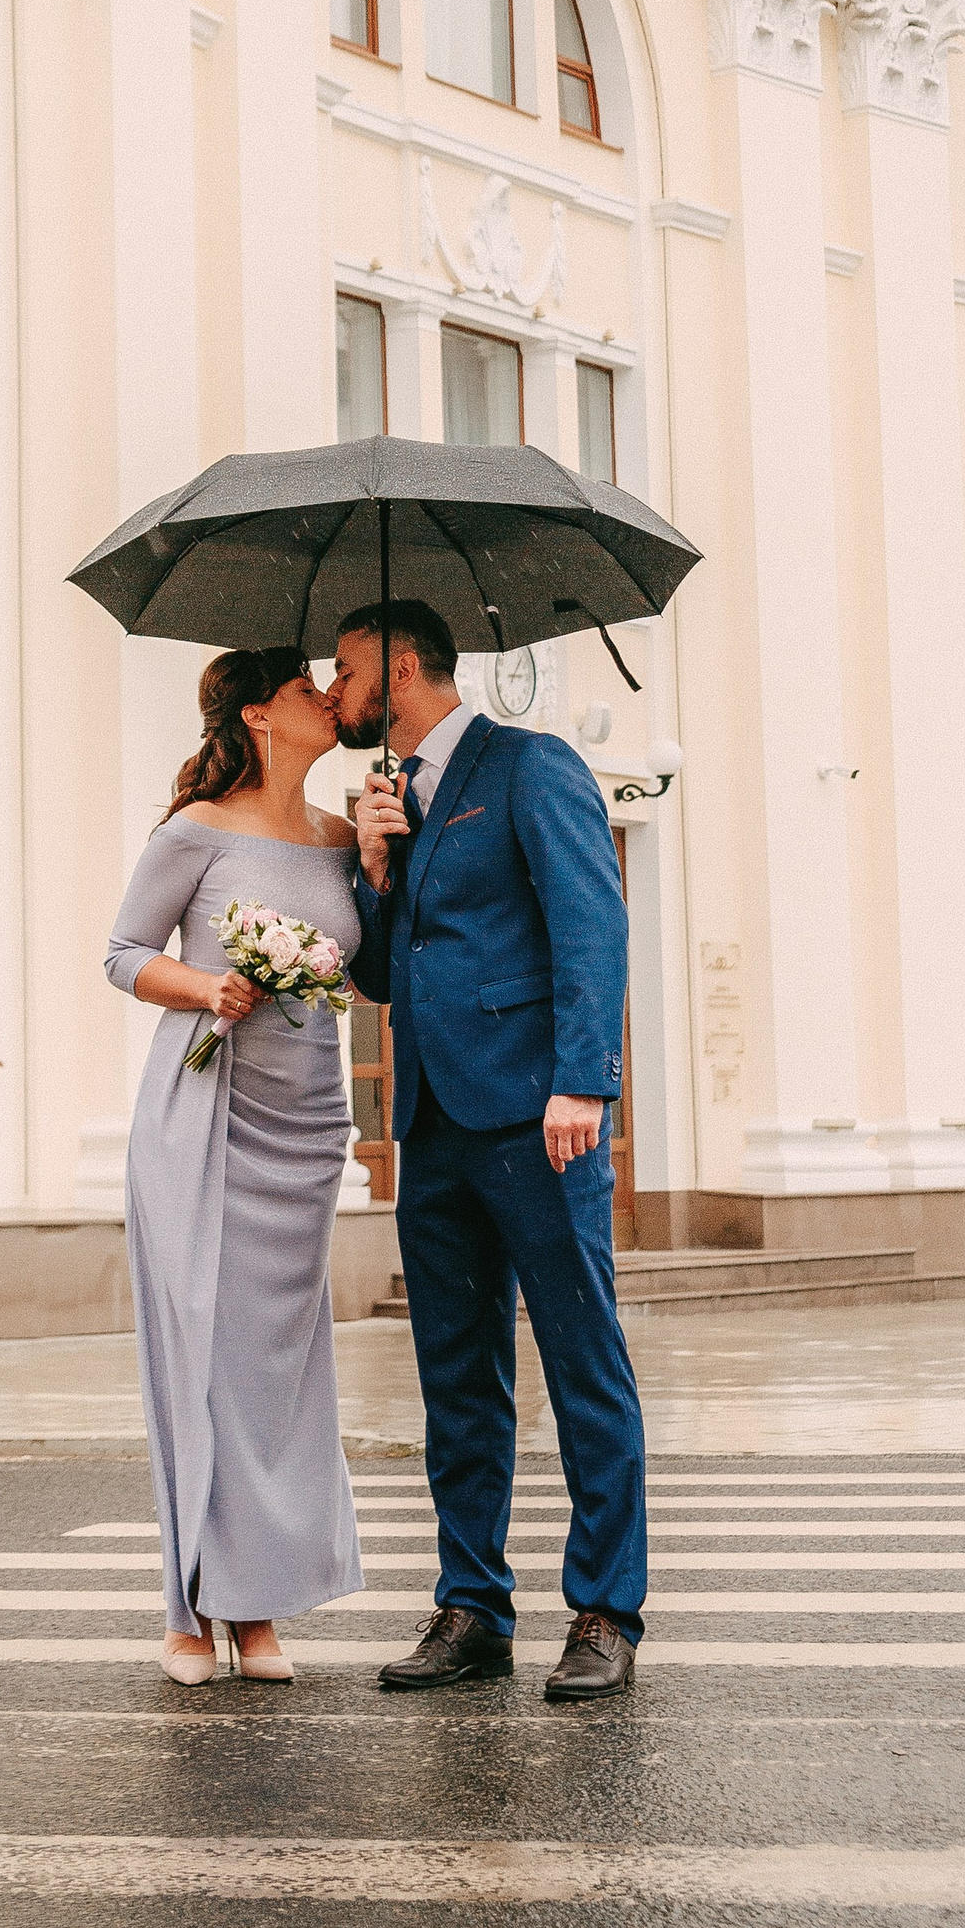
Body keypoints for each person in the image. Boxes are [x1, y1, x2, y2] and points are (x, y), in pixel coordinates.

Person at [332, 597, 645, 1704]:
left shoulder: (530, 765)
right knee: (456, 1379)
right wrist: (376, 874)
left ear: (403, 666)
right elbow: (379, 977)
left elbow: (589, 923)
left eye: (346, 667)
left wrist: (581, 1079)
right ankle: (472, 1608)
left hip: (533, 1115)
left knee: (580, 1363)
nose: (335, 689)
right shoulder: (396, 802)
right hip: (432, 1126)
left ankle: (604, 1612)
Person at [104, 647, 364, 1684]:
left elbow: (372, 962)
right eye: (310, 689)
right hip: (205, 1114)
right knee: (201, 1361)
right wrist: (207, 989)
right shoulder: (195, 833)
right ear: (261, 715)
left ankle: (257, 1611)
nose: (328, 699)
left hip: (305, 1126)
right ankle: (185, 1613)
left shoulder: (344, 840)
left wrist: (384, 865)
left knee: (277, 1375)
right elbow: (124, 953)